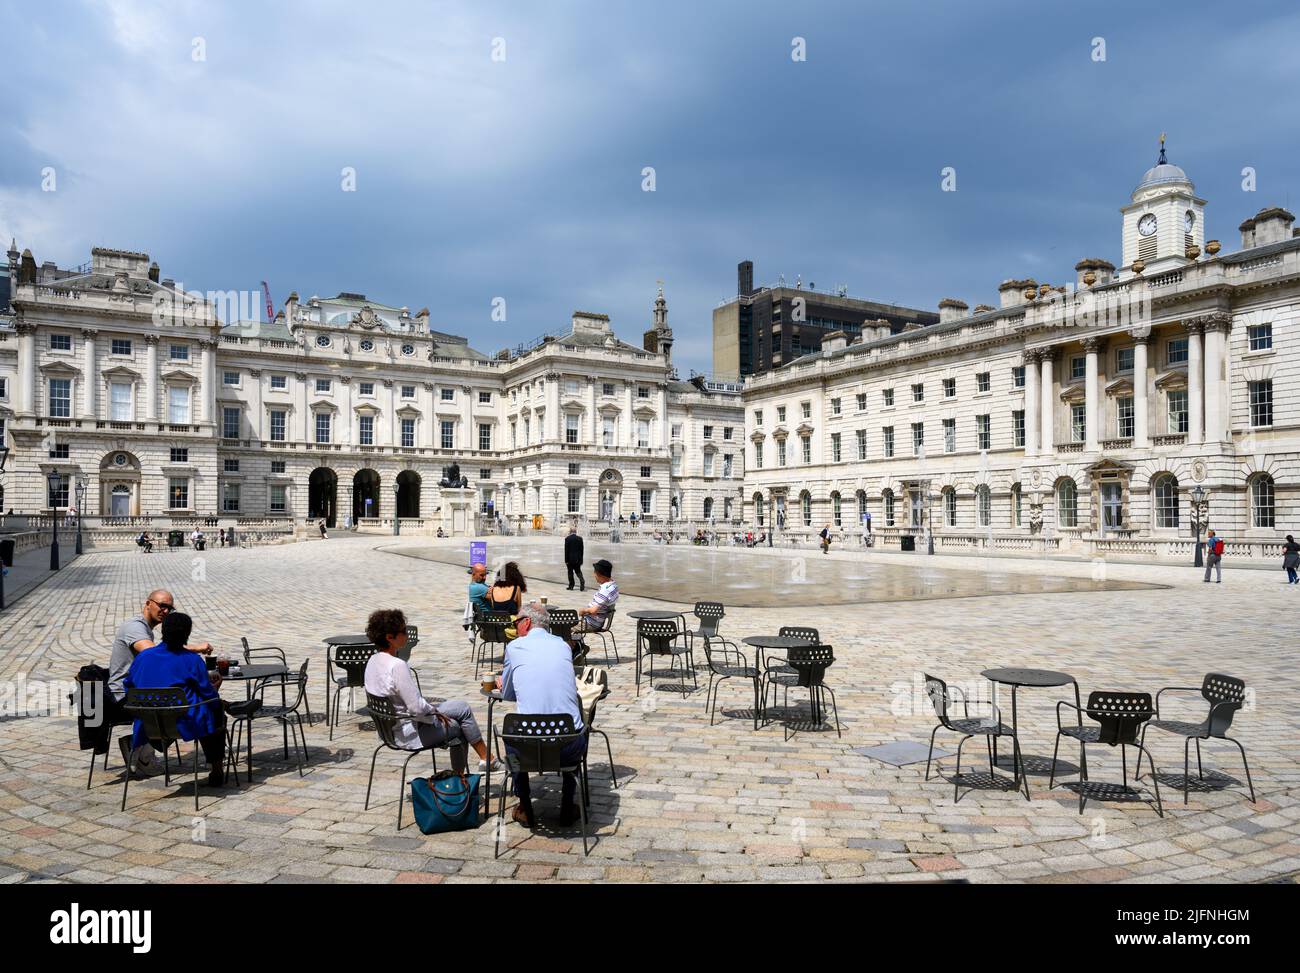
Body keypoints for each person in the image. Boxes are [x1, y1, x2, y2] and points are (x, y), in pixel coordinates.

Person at [362, 608, 494, 772]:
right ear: (390, 637)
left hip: (387, 730)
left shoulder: (372, 660)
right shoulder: (397, 666)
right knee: (459, 727)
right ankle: (459, 783)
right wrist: (435, 713)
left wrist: (432, 711)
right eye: (403, 631)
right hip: (408, 732)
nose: (407, 634)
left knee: (462, 707)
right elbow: (416, 708)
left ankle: (487, 759)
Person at [497, 603, 586, 828]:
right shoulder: (563, 646)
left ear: (526, 622)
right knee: (577, 726)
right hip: (568, 749)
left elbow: (508, 694)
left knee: (510, 742)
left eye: (517, 622)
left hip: (527, 750)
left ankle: (526, 806)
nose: (515, 627)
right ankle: (567, 805)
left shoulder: (515, 647)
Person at [108, 591, 215, 772]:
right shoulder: (135, 627)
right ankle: (215, 765)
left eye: (169, 608)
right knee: (194, 704)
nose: (165, 611)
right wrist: (196, 649)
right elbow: (156, 655)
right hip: (126, 697)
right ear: (148, 603)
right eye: (161, 606)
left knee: (176, 697)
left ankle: (142, 746)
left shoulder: (145, 629)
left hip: (142, 689)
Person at [123, 612, 227, 787]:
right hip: (184, 723)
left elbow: (129, 686)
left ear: (163, 631)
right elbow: (207, 693)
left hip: (149, 724)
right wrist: (215, 692)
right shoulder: (191, 660)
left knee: (207, 707)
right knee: (215, 711)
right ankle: (217, 770)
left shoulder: (143, 657)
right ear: (186, 634)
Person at [573, 559, 618, 656]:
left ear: (599, 574)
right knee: (568, 624)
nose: (594, 575)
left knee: (564, 628)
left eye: (594, 573)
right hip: (597, 620)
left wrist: (583, 610)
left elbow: (593, 610)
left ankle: (578, 649)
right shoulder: (613, 586)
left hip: (592, 622)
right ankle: (578, 646)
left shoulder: (605, 590)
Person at [564, 524, 585, 591]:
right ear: (575, 532)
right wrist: (581, 560)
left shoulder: (567, 539)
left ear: (570, 531)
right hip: (577, 559)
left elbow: (566, 550)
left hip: (570, 559)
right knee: (578, 571)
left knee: (570, 572)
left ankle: (571, 586)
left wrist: (566, 560)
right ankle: (582, 581)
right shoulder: (580, 539)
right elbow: (582, 550)